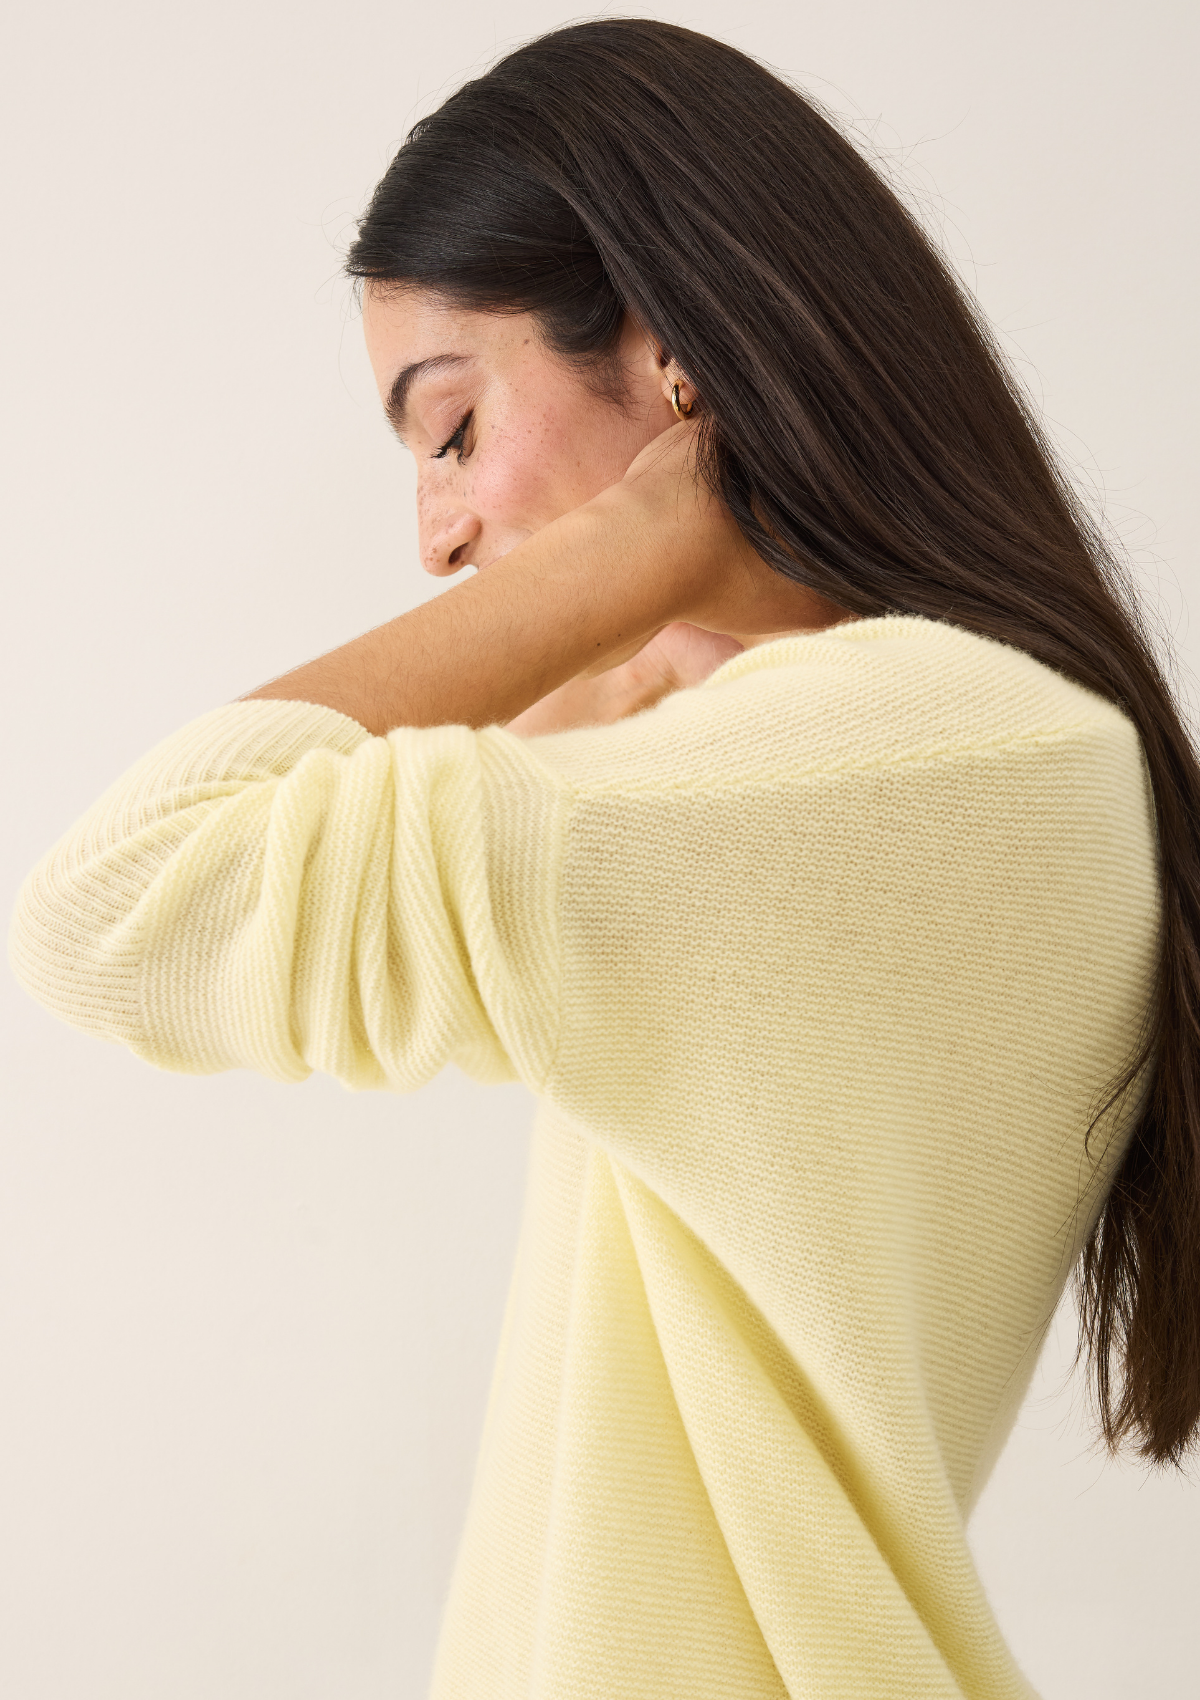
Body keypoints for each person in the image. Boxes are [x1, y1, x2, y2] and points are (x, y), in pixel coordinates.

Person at [9, 17, 1200, 1699]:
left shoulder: (915, 747)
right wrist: (638, 644)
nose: (435, 537)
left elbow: (117, 903)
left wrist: (623, 563)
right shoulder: (937, 754)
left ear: (670, 359)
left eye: (449, 429)